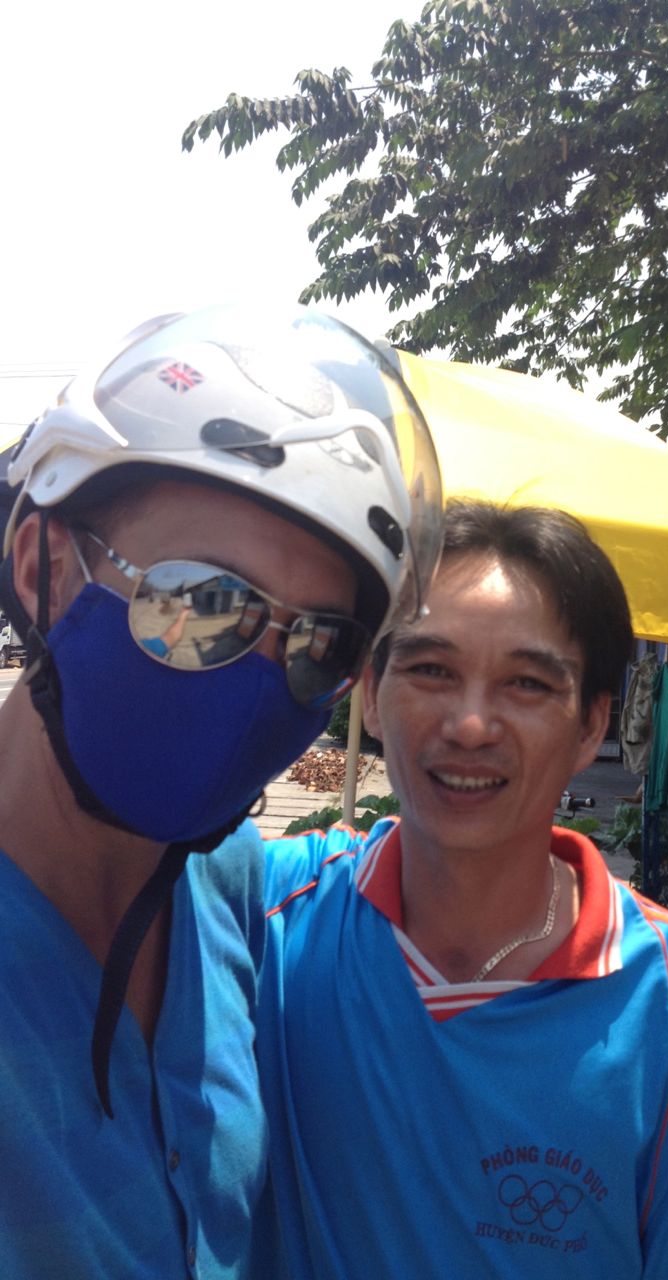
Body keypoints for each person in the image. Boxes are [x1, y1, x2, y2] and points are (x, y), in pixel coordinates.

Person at [0, 304, 442, 1279]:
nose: (258, 679)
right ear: (43, 570)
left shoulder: (229, 883)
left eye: (320, 643)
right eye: (204, 601)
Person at [255, 500, 668, 1279]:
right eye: (431, 670)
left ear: (591, 726)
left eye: (527, 684)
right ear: (371, 690)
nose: (471, 725)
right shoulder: (268, 919)